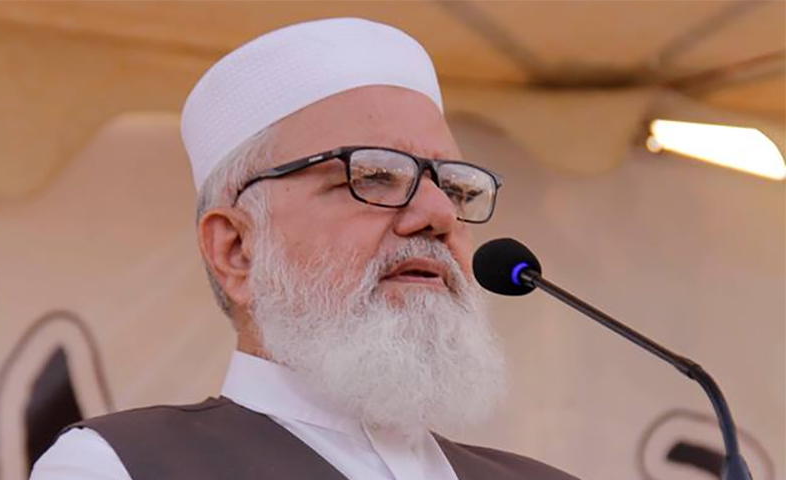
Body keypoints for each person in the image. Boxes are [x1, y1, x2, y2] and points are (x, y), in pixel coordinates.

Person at [30, 18, 578, 480]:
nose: (438, 215)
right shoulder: (119, 467)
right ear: (237, 249)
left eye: (455, 188)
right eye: (374, 176)